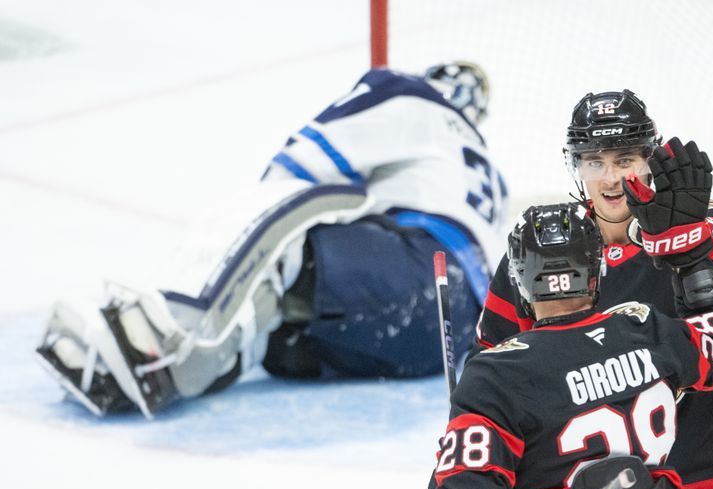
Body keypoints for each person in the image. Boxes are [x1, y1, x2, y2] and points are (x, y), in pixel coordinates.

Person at [34, 61, 509, 418]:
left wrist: (237, 254)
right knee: (281, 329)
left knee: (285, 255)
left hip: (415, 268)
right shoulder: (492, 175)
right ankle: (192, 357)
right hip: (449, 340)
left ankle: (159, 351)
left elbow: (295, 170)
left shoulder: (409, 95)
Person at [472, 90, 713, 489]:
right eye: (594, 161)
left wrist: (695, 244)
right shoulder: (541, 245)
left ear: (650, 159)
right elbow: (493, 372)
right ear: (575, 165)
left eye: (625, 160)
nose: (610, 178)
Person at [423, 199, 713, 489]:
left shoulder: (496, 375)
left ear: (519, 281)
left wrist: (451, 470)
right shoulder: (650, 331)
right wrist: (692, 258)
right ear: (596, 271)